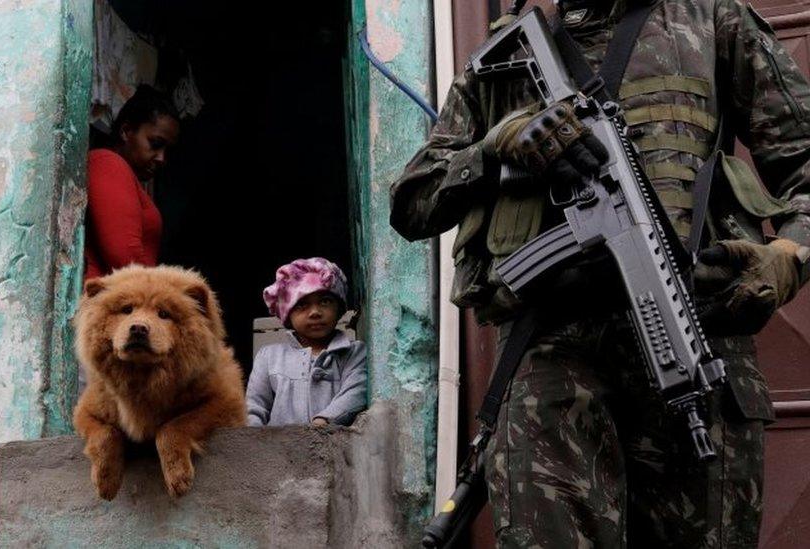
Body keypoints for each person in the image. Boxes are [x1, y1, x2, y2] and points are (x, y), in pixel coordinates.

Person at [391, 0, 810, 546]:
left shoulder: (713, 19)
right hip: (550, 359)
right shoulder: (508, 50)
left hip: (698, 339)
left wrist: (790, 253)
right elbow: (413, 201)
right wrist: (498, 148)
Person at [246, 258, 368, 427]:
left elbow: (356, 391)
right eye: (302, 305)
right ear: (287, 315)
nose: (315, 312)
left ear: (339, 308)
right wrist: (254, 440)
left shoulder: (354, 352)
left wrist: (324, 420)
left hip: (334, 448)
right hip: (277, 450)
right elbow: (255, 406)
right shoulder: (269, 357)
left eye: (325, 301)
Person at [84, 85, 180, 281]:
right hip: (112, 303)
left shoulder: (126, 176)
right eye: (155, 143)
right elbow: (126, 259)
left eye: (167, 151)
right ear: (126, 131)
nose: (162, 158)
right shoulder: (108, 163)